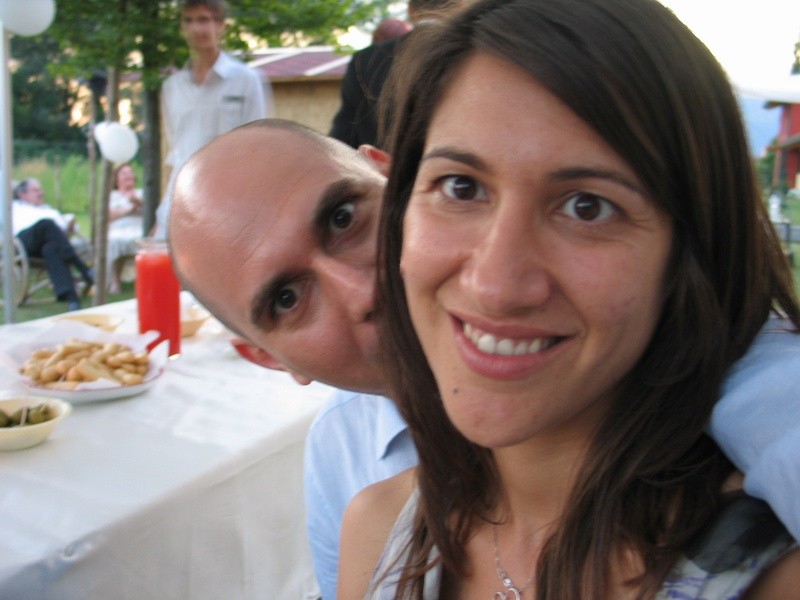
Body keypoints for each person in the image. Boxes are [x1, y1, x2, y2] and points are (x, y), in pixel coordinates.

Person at [169, 120, 800, 599]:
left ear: (396, 178)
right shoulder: (346, 465)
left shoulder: (750, 402)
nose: (363, 290)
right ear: (268, 358)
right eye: (287, 298)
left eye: (343, 217)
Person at [337, 0, 800, 598]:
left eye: (588, 206)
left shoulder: (772, 579)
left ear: (691, 253)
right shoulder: (379, 533)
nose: (495, 285)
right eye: (461, 187)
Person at [152, 0, 270, 238]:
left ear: (220, 25)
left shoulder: (246, 80)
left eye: (204, 19)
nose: (197, 28)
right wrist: (161, 218)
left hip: (230, 209)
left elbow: (259, 149)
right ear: (182, 28)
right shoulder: (172, 87)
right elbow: (177, 153)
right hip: (179, 208)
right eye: (189, 21)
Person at [328, 0, 463, 149]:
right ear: (459, 6)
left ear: (411, 9)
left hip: (377, 162)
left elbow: (344, 136)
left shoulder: (366, 59)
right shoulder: (470, 54)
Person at [11, 178, 94, 311]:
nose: (41, 193)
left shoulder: (49, 210)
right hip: (23, 243)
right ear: (22, 195)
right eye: (35, 190)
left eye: (40, 190)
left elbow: (63, 229)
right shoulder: (14, 207)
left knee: (51, 249)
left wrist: (70, 225)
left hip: (48, 244)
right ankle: (83, 268)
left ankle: (72, 298)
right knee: (46, 224)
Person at [107, 163, 143, 293]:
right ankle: (115, 281)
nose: (128, 175)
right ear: (117, 179)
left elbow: (152, 211)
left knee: (144, 239)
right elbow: (108, 215)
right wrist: (130, 210)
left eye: (130, 172)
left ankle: (143, 278)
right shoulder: (112, 196)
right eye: (124, 173)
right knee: (115, 241)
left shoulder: (142, 192)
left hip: (139, 227)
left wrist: (139, 203)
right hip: (118, 229)